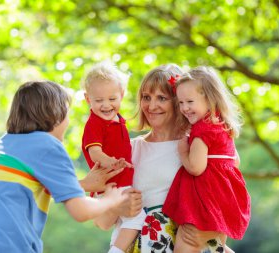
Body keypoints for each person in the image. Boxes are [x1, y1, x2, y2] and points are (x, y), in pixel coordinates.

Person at [0, 80, 129, 253]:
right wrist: (111, 199)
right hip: (5, 247)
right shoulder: (48, 145)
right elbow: (80, 211)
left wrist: (84, 184)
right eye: (67, 113)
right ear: (55, 115)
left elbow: (21, 188)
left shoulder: (3, 144)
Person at [94, 64, 235, 253]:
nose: (151, 106)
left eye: (162, 98)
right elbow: (101, 222)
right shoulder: (127, 150)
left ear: (180, 102)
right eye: (146, 97)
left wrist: (209, 235)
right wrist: (117, 209)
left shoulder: (199, 147)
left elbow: (227, 200)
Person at [162, 66, 251, 252]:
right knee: (216, 245)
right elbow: (235, 161)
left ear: (209, 100)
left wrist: (183, 152)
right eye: (181, 102)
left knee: (186, 244)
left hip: (204, 201)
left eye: (190, 102)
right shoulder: (223, 125)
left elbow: (196, 167)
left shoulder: (202, 130)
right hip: (224, 198)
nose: (185, 108)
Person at [81, 61, 147, 253]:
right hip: (111, 182)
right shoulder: (95, 124)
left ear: (122, 95)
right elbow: (94, 152)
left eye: (112, 98)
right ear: (88, 99)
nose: (106, 105)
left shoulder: (119, 121)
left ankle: (116, 247)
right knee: (137, 217)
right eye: (99, 100)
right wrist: (111, 161)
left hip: (121, 180)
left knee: (127, 219)